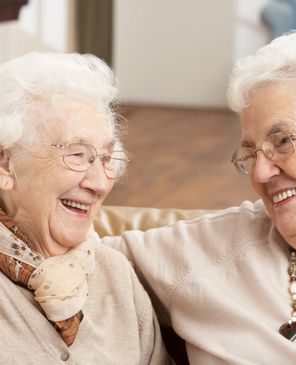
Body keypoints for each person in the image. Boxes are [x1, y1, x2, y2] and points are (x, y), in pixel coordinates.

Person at [103, 32, 296, 365]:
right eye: (250, 154)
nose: (259, 174)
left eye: (283, 141)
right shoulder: (213, 246)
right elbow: (67, 255)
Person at [0, 52, 171, 364]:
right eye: (78, 155)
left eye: (106, 159)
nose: (100, 183)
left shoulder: (115, 274)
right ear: (5, 164)